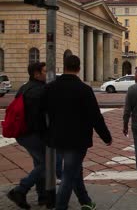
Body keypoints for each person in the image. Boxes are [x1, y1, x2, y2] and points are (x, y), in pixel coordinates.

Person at [43, 55, 112, 210]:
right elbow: (95, 116)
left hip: (57, 137)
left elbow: (42, 112)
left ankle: (85, 201)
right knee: (69, 174)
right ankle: (60, 206)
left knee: (74, 170)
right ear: (79, 68)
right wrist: (106, 137)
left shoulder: (50, 87)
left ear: (64, 66)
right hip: (77, 139)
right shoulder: (84, 89)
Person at [7, 62, 47, 209]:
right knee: (46, 164)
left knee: (39, 163)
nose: (47, 74)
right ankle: (20, 190)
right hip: (32, 134)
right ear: (36, 74)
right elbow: (38, 118)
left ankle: (43, 196)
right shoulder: (38, 91)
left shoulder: (24, 87)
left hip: (23, 133)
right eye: (45, 71)